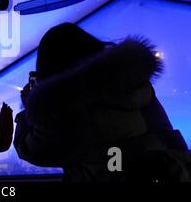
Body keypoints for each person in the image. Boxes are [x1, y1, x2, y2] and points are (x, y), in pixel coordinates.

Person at [14, 23, 190, 182]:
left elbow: (30, 149)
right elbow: (165, 131)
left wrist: (31, 105)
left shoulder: (62, 117)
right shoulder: (134, 87)